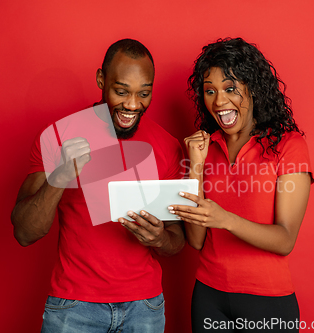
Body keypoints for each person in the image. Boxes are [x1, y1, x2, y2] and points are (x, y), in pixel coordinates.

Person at [11, 38, 185, 333]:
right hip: (74, 306)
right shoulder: (57, 135)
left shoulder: (167, 146)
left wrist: (158, 239)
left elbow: (177, 241)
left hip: (145, 308)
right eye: (121, 91)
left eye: (144, 93)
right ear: (101, 79)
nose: (132, 105)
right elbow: (25, 232)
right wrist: (61, 176)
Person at [168, 38, 314, 332]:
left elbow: (285, 240)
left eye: (230, 88)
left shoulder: (288, 146)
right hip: (209, 296)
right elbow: (196, 240)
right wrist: (195, 166)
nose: (219, 102)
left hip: (267, 301)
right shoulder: (206, 147)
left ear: (253, 88)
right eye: (210, 91)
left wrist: (225, 220)